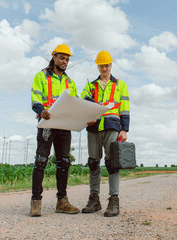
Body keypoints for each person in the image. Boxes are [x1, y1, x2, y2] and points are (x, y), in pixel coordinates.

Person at [29, 44, 79, 217]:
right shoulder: (40, 76)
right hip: (47, 124)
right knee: (41, 160)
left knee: (64, 162)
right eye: (62, 58)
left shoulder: (70, 82)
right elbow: (35, 100)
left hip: (64, 126)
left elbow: (75, 104)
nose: (65, 61)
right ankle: (36, 202)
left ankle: (62, 201)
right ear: (54, 57)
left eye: (67, 59)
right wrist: (41, 111)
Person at [80, 51, 130, 217]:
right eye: (101, 65)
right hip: (94, 127)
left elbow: (124, 108)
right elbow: (83, 102)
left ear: (111, 65)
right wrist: (90, 114)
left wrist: (124, 129)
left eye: (106, 65)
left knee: (112, 162)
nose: (104, 68)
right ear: (98, 66)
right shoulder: (90, 86)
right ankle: (94, 199)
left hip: (113, 126)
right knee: (93, 162)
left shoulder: (120, 85)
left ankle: (114, 199)